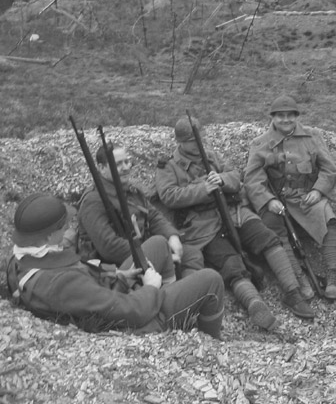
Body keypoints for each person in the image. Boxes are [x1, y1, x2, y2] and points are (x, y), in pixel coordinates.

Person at [155, 116, 315, 329]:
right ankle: (255, 304)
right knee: (231, 264)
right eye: (194, 141)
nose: (200, 143)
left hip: (234, 212)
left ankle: (293, 292)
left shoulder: (211, 156)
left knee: (267, 238)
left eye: (201, 138)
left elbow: (235, 176)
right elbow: (168, 195)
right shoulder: (168, 166)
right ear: (181, 142)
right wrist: (203, 188)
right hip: (203, 226)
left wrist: (221, 180)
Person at [6, 193, 225, 339]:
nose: (66, 230)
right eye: (62, 226)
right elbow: (133, 311)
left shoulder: (20, 260)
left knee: (157, 244)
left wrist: (119, 276)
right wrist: (151, 287)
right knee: (211, 280)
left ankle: (177, 303)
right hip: (131, 323)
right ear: (50, 234)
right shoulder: (59, 283)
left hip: (106, 299)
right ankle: (208, 341)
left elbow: (84, 286)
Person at [243, 95, 336, 300]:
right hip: (278, 200)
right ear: (273, 118)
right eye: (281, 116)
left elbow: (330, 170)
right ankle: (298, 277)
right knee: (272, 226)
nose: (286, 120)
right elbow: (253, 178)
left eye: (290, 116)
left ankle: (334, 273)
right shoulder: (260, 143)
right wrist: (269, 200)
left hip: (305, 197)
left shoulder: (312, 137)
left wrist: (318, 191)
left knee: (326, 215)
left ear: (297, 117)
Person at [78, 144, 203, 284]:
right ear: (102, 168)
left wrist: (172, 236)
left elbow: (153, 216)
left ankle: (187, 294)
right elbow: (109, 247)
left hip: (144, 249)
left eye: (126, 161)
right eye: (117, 164)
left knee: (192, 256)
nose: (125, 167)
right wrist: (156, 253)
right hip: (118, 265)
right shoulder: (93, 200)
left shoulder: (131, 190)